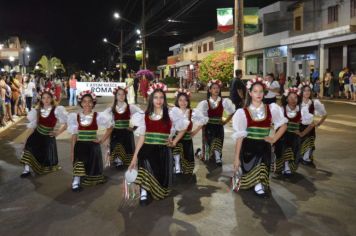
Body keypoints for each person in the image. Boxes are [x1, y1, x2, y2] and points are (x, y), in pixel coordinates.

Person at [128, 83, 189, 206]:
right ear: (151, 99)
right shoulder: (144, 116)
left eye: (161, 97)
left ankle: (154, 188)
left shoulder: (171, 114)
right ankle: (144, 192)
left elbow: (183, 127)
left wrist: (174, 142)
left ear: (164, 99)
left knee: (161, 187)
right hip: (147, 149)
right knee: (145, 166)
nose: (159, 100)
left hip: (163, 151)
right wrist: (134, 157)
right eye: (156, 97)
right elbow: (142, 137)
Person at [232, 77, 288, 198]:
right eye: (255, 91)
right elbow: (240, 137)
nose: (258, 94)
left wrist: (273, 139)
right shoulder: (242, 112)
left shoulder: (271, 108)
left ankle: (259, 185)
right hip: (248, 148)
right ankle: (247, 177)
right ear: (250, 93)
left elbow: (283, 125)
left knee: (262, 167)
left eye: (261, 91)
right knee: (247, 176)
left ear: (264, 93)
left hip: (264, 146)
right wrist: (236, 158)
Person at [67, 90, 112, 192]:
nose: (87, 104)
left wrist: (101, 140)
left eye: (89, 101)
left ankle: (87, 176)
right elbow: (74, 135)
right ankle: (76, 180)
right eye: (84, 101)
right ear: (81, 103)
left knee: (92, 171)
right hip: (80, 145)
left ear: (93, 103)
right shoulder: (75, 117)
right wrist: (72, 151)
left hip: (93, 147)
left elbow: (110, 127)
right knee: (78, 161)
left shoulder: (98, 116)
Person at [20, 88, 68, 177]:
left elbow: (66, 124)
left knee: (45, 159)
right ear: (41, 99)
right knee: (28, 147)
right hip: (37, 134)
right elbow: (32, 127)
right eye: (44, 98)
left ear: (52, 98)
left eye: (48, 97)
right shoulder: (37, 110)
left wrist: (57, 133)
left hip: (48, 138)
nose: (46, 100)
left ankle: (37, 167)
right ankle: (26, 170)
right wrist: (25, 139)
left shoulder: (57, 110)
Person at [274, 87, 314, 176]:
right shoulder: (281, 109)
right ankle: (286, 165)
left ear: (298, 99)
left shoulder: (302, 110)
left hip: (295, 137)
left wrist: (302, 133)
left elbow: (311, 124)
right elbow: (274, 123)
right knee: (284, 149)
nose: (293, 100)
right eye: (290, 97)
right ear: (286, 99)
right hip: (283, 136)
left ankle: (287, 165)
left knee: (294, 153)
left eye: (295, 97)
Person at [196, 79, 235, 166]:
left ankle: (218, 158)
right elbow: (200, 117)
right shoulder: (205, 103)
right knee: (206, 157)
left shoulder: (224, 101)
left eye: (217, 88)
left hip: (218, 126)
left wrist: (225, 121)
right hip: (208, 127)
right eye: (213, 88)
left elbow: (232, 112)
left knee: (218, 141)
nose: (216, 90)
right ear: (209, 90)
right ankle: (199, 153)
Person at [171, 89, 208, 174]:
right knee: (177, 150)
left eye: (185, 100)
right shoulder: (174, 111)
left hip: (187, 140)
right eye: (180, 100)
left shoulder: (192, 112)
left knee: (188, 167)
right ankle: (177, 165)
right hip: (177, 138)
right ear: (177, 101)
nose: (183, 102)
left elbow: (203, 121)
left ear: (188, 101)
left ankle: (182, 168)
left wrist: (194, 132)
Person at [107, 86, 142, 167]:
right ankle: (118, 160)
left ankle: (123, 161)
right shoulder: (111, 109)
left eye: (123, 94)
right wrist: (107, 140)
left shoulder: (131, 107)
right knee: (117, 147)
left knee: (126, 148)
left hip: (126, 133)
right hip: (115, 133)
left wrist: (134, 128)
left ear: (126, 96)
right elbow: (109, 124)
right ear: (115, 96)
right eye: (119, 94)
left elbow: (141, 115)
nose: (121, 96)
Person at [299, 81, 327, 166]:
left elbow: (324, 114)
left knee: (309, 142)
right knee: (299, 143)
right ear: (301, 92)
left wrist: (318, 124)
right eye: (305, 90)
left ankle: (306, 158)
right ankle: (301, 156)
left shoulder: (314, 103)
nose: (307, 92)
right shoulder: (297, 102)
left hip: (310, 127)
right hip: (299, 127)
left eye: (308, 90)